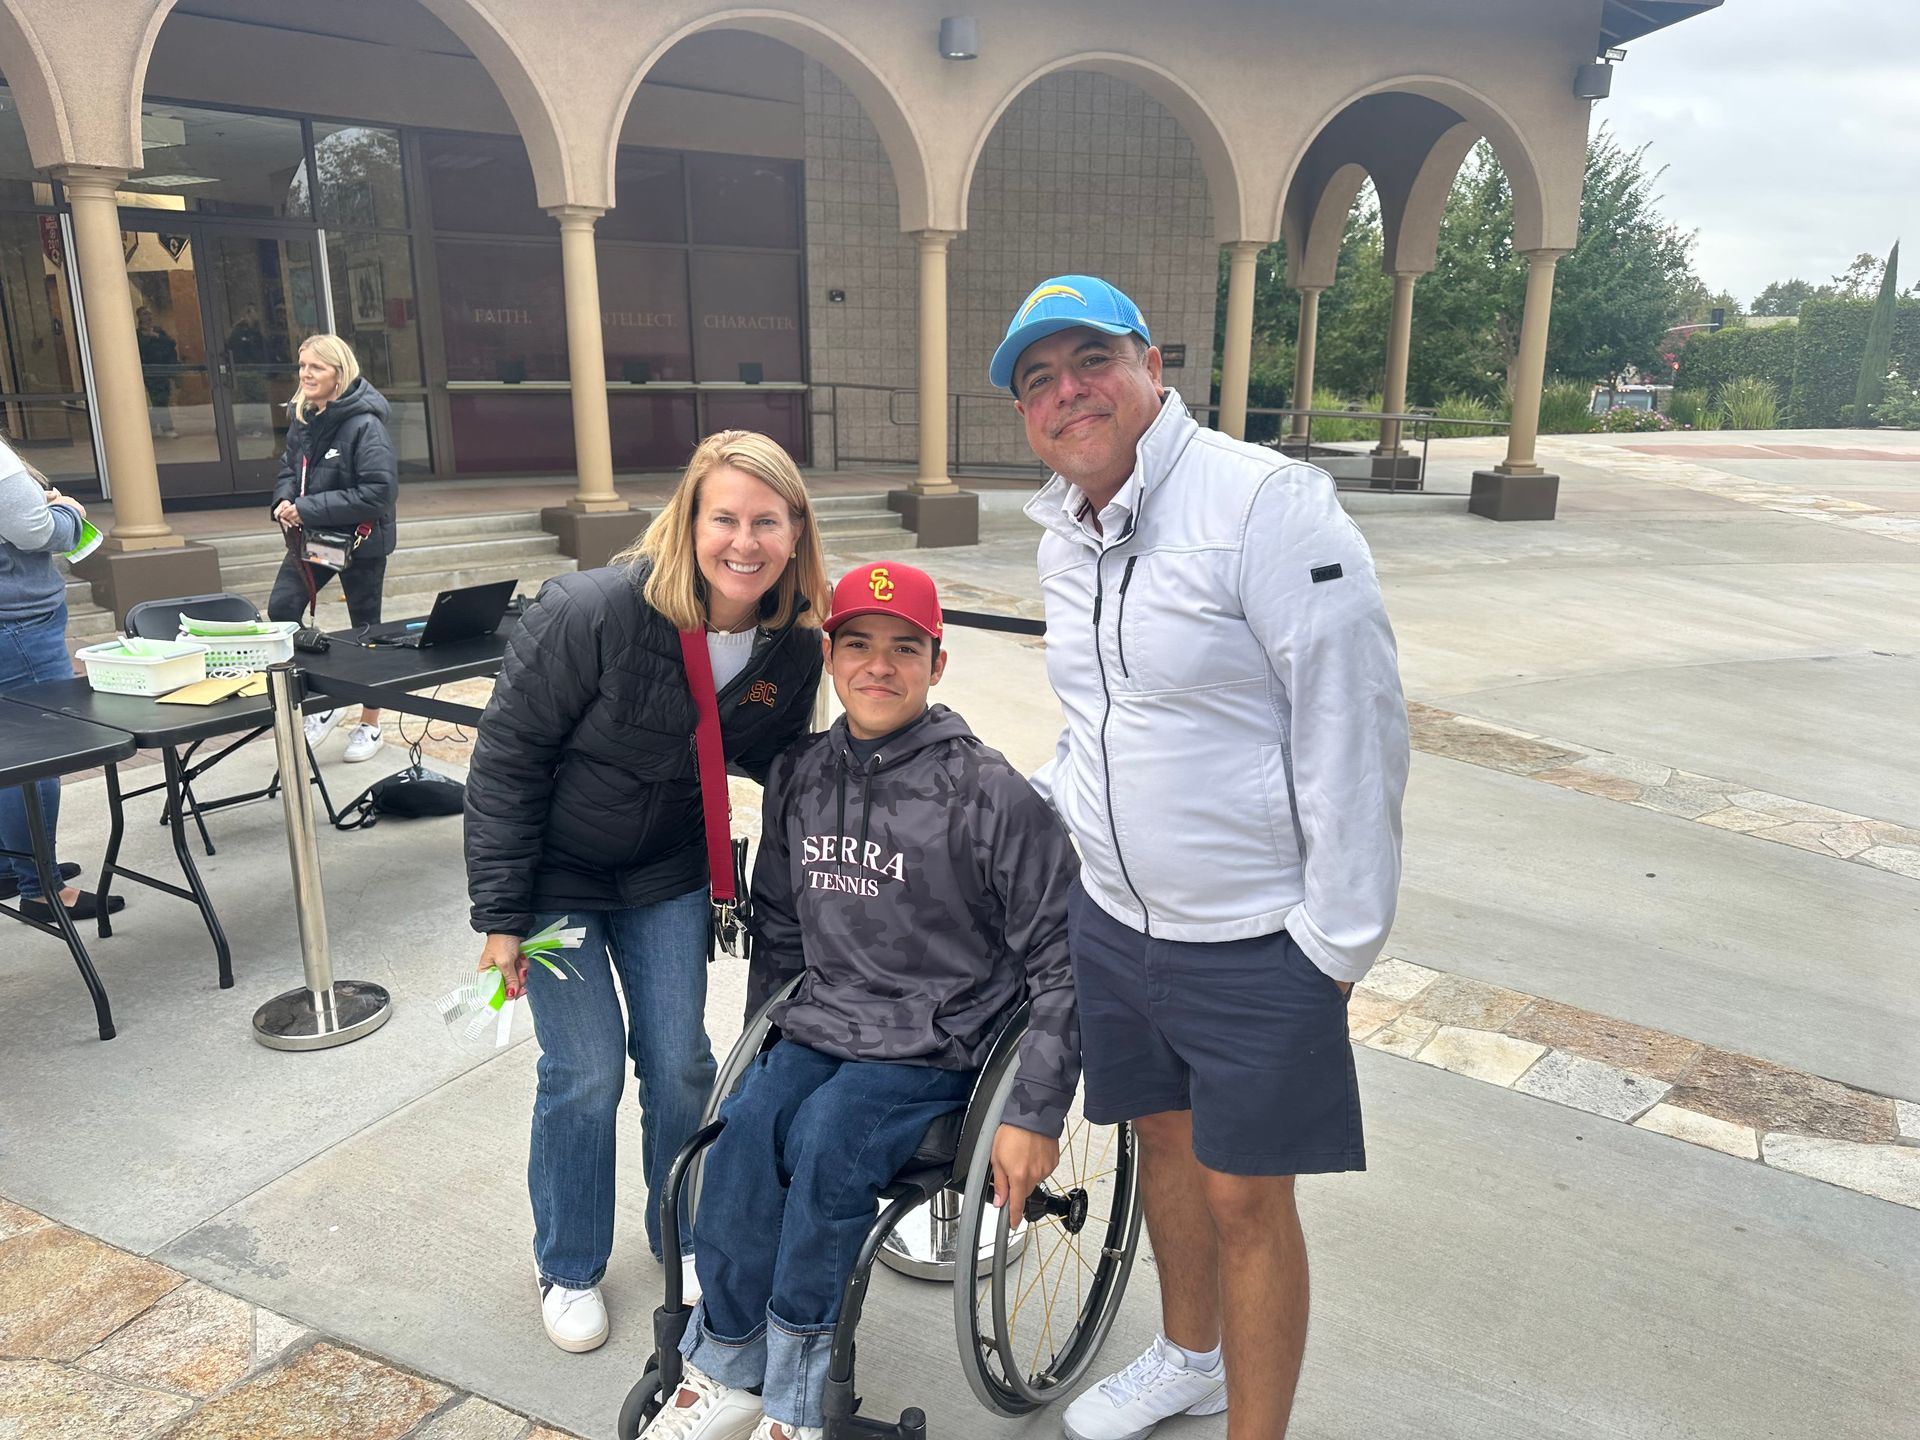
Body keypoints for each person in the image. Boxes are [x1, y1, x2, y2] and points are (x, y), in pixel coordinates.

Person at [990, 276, 1409, 1440]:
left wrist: (1334, 941)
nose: (1066, 392)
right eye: (1038, 380)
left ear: (1151, 366)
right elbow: (1101, 726)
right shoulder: (1065, 535)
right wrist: (1023, 823)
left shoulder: (1269, 506)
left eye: (1089, 361)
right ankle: (1188, 1358)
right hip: (1117, 922)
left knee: (1246, 1198)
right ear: (1026, 414)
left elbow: (1354, 722)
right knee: (1162, 1147)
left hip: (1256, 933)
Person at [646, 561, 1080, 1440]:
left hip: (937, 1038)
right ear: (832, 659)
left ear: (937, 664)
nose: (878, 667)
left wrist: (1035, 1112)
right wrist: (757, 1054)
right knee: (739, 1136)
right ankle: (728, 1360)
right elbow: (779, 932)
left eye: (903, 649)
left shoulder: (990, 794)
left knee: (829, 1140)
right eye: (858, 646)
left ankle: (799, 1401)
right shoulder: (802, 776)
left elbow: (1064, 963)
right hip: (823, 1021)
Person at [464, 430, 829, 1357]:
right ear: (689, 520)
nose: (743, 542)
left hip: (667, 874)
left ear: (795, 533)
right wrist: (502, 916)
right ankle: (570, 1263)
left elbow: (784, 766)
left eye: (765, 522)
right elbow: (508, 760)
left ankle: (689, 1239)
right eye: (724, 519)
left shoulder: (792, 646)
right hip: (557, 881)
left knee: (680, 1066)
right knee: (583, 1073)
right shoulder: (591, 610)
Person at [0, 439, 124, 921]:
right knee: (35, 759)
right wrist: (68, 512)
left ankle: (14, 866)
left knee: (8, 750)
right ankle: (41, 888)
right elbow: (33, 530)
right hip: (18, 625)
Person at [267, 333, 397, 764]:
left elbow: (378, 493)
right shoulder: (304, 418)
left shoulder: (366, 424)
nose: (305, 374)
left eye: (316, 367)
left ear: (339, 374)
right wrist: (284, 502)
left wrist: (307, 507)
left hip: (360, 542)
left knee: (367, 631)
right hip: (316, 539)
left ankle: (370, 724)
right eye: (302, 366)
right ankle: (328, 696)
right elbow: (290, 468)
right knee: (283, 609)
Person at [135, 307, 178, 439]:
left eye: (150, 314)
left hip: (162, 369)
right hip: (149, 371)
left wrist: (157, 337)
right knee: (159, 399)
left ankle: (153, 425)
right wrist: (148, 338)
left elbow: (171, 343)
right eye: (145, 314)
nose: (148, 317)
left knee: (163, 398)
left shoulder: (158, 330)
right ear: (139, 317)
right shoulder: (137, 334)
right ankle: (167, 427)